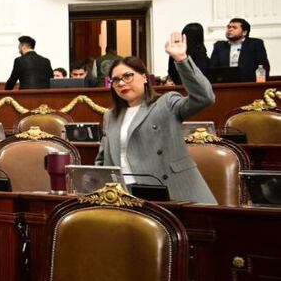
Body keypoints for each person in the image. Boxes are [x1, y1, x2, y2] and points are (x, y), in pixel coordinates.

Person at [95, 32, 217, 204]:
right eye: (115, 80)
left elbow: (204, 97)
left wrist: (181, 59)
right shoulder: (111, 115)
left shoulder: (165, 103)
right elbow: (103, 158)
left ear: (144, 77)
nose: (121, 83)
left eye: (127, 76)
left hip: (170, 190)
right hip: (123, 194)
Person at [208, 17, 270, 82]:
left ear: (244, 32)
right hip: (226, 85)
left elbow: (263, 66)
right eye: (229, 27)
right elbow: (212, 68)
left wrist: (260, 85)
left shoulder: (255, 44)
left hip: (249, 84)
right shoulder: (219, 46)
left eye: (234, 28)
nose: (230, 29)